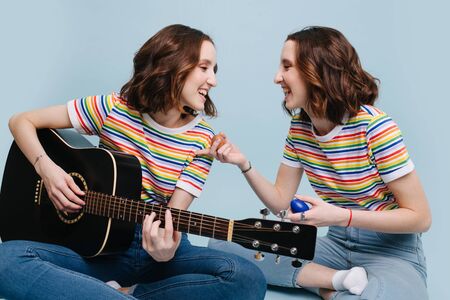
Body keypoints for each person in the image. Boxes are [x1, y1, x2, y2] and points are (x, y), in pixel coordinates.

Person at [0, 24, 266, 300]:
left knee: (246, 279)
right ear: (172, 64)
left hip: (157, 252)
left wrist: (166, 249)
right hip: (96, 245)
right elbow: (21, 121)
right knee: (6, 259)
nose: (213, 81)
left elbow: (174, 215)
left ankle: (122, 294)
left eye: (215, 70)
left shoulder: (203, 139)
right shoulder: (112, 107)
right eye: (204, 67)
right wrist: (48, 169)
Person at [203, 26, 431, 299]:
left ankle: (331, 289)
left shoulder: (375, 127)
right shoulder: (300, 128)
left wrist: (341, 216)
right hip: (334, 246)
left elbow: (421, 217)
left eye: (287, 66)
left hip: (391, 253)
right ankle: (335, 281)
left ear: (317, 72)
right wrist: (243, 164)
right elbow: (279, 202)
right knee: (223, 244)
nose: (277, 77)